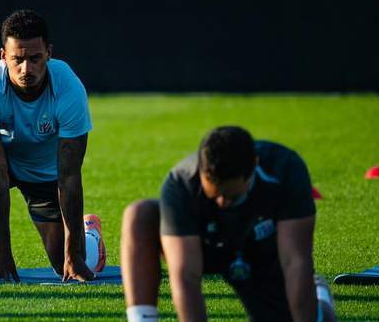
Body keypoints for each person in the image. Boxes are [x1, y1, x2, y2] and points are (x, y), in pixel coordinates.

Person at [0, 9, 105, 285]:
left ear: (48, 53)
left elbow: (69, 176)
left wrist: (73, 254)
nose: (26, 69)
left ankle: (90, 235)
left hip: (44, 174)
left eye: (35, 58)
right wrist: (2, 252)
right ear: (4, 56)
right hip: (1, 162)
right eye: (18, 59)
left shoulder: (69, 87)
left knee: (65, 264)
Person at [121, 126, 336, 321]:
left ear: (254, 167)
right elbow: (186, 277)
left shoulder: (285, 170)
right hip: (206, 245)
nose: (222, 202)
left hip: (263, 252)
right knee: (140, 215)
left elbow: (295, 261)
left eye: (232, 197)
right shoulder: (181, 182)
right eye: (214, 197)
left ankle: (320, 296)